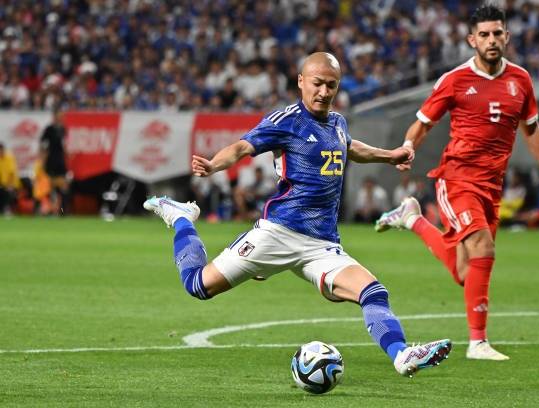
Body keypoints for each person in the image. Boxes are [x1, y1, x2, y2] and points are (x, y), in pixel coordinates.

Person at [144, 52, 452, 377]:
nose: (323, 92)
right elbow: (241, 147)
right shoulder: (286, 121)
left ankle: (402, 355)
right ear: (301, 82)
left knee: (373, 291)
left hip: (322, 244)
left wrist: (388, 156)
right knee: (197, 286)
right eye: (317, 83)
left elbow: (348, 146)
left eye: (331, 86)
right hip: (278, 232)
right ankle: (180, 217)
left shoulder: (337, 122)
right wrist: (212, 164)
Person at [375, 5, 539, 361]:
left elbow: (531, 130)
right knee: (482, 248)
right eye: (484, 34)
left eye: (497, 33)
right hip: (457, 179)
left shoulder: (521, 80)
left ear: (507, 37)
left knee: (467, 273)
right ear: (472, 40)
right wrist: (407, 148)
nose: (492, 40)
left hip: (491, 186)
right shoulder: (455, 80)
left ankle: (411, 218)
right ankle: (477, 343)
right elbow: (422, 124)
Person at [40, 109, 69, 214]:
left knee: (63, 187)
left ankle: (62, 211)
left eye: (61, 116)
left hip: (60, 162)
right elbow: (43, 146)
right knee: (50, 188)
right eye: (58, 116)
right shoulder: (49, 130)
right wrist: (42, 161)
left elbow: (64, 145)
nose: (60, 118)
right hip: (51, 161)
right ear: (54, 117)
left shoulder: (63, 129)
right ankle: (51, 210)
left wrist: (67, 154)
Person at [0, 142, 20, 215]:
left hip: (11, 184)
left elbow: (11, 174)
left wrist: (9, 185)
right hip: (2, 184)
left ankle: (6, 209)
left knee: (6, 191)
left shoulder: (9, 158)